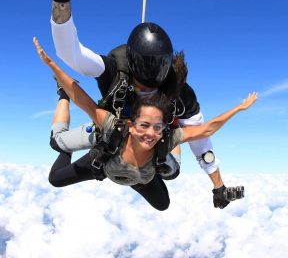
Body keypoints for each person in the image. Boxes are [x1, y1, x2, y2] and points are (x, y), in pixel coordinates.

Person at [47, 0, 243, 209]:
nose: (151, 79)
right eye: (145, 68)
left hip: (148, 153)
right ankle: (63, 98)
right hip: (106, 140)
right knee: (56, 150)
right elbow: (70, 53)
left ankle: (141, 168)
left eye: (159, 67)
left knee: (169, 176)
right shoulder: (115, 69)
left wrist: (218, 186)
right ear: (132, 62)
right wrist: (61, 3)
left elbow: (201, 140)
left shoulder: (181, 95)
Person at [33, 37, 258, 211]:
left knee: (164, 200)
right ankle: (64, 138)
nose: (150, 134)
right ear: (130, 124)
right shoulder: (113, 127)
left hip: (141, 174)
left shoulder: (165, 137)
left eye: (157, 127)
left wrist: (238, 109)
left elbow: (206, 130)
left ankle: (150, 160)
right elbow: (81, 98)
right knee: (56, 169)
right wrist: (53, 66)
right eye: (144, 125)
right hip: (105, 161)